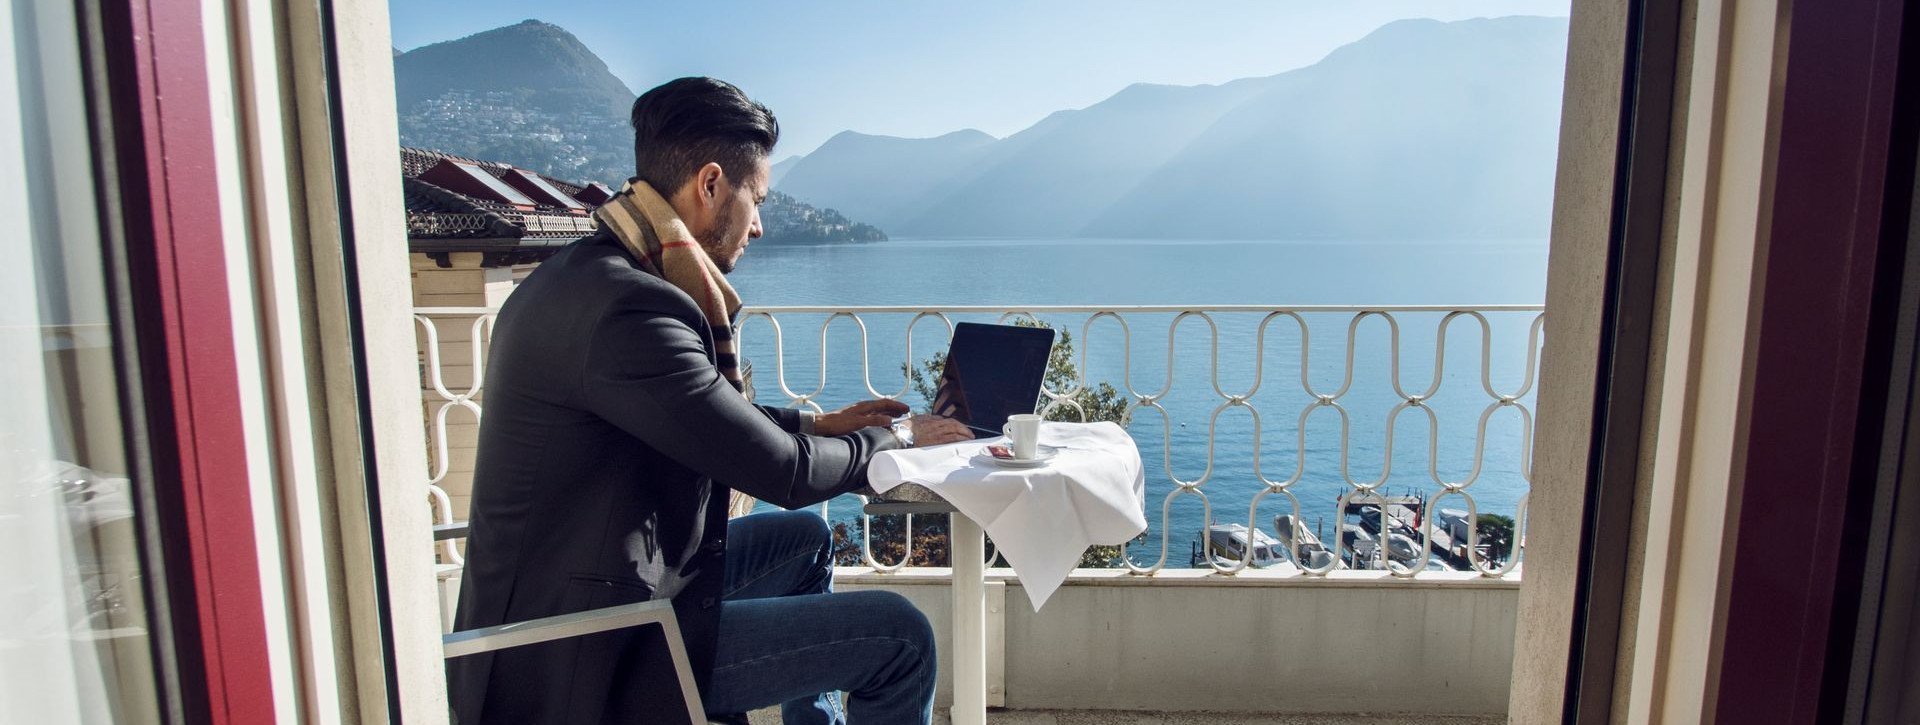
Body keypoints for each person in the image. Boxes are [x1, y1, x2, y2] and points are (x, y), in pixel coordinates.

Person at [447, 77, 973, 725]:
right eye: (757, 198)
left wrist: (818, 421)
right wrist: (898, 440)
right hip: (601, 648)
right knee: (899, 635)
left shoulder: (590, 275)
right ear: (711, 185)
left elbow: (693, 413)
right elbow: (780, 470)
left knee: (806, 541)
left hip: (590, 596)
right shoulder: (631, 310)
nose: (760, 223)